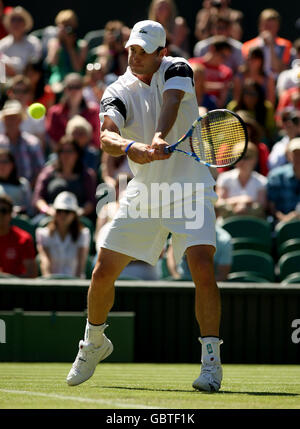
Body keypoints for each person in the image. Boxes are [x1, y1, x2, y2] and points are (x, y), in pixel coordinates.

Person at [67, 20, 223, 393]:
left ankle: (211, 363)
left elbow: (171, 100)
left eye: (143, 51)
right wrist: (131, 148)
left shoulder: (178, 68)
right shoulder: (117, 89)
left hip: (190, 187)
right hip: (146, 191)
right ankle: (94, 343)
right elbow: (106, 134)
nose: (134, 57)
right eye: (131, 50)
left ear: (161, 53)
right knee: (103, 271)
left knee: (201, 265)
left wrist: (156, 136)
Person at [33, 135, 97, 220]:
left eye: (70, 151)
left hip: (78, 219)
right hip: (50, 217)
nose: (66, 155)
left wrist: (79, 213)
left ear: (77, 154)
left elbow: (91, 201)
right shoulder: (48, 172)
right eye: (62, 151)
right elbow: (38, 198)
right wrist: (48, 211)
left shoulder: (87, 175)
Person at [36, 191, 90, 278]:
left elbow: (81, 265)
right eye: (59, 211)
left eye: (67, 211)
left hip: (74, 286)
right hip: (51, 285)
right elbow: (45, 261)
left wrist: (76, 286)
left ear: (74, 214)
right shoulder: (43, 234)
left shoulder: (83, 235)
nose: (62, 215)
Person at [45, 73, 100, 149]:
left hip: (87, 155)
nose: (74, 91)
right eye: (70, 87)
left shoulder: (94, 111)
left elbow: (96, 141)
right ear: (65, 90)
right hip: (63, 154)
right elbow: (52, 139)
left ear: (83, 89)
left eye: (77, 87)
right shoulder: (54, 112)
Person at [215, 142, 268, 219]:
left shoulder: (262, 181)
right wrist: (243, 200)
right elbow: (218, 202)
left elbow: (262, 205)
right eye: (239, 157)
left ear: (255, 159)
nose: (242, 161)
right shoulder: (224, 178)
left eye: (246, 157)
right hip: (226, 223)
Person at [0, 99, 45, 186]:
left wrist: (27, 189)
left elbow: (40, 170)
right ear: (4, 120)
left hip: (27, 191)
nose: (11, 121)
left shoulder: (32, 143)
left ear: (20, 120)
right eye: (8, 118)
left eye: (14, 118)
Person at [166, 225, 233, 282]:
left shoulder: (224, 239)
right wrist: (176, 277)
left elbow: (222, 275)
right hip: (182, 281)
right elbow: (171, 254)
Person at [242, 9, 293, 76]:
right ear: (260, 25)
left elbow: (279, 69)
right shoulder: (247, 46)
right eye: (266, 26)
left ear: (277, 27)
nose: (268, 30)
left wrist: (271, 45)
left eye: (271, 27)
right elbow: (248, 69)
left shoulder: (286, 45)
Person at [227, 78, 277, 146]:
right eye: (247, 93)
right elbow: (229, 131)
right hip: (236, 141)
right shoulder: (233, 107)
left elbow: (271, 131)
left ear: (259, 95)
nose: (250, 97)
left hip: (260, 141)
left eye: (253, 93)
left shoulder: (267, 108)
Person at [46, 9, 88, 86]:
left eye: (69, 25)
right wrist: (58, 41)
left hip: (76, 79)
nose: (66, 29)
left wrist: (70, 47)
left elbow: (78, 68)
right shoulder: (53, 43)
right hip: (58, 79)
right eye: (63, 25)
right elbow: (52, 63)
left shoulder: (82, 45)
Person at [189, 36, 233, 108]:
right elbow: (191, 85)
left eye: (226, 57)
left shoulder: (226, 71)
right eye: (222, 55)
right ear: (212, 49)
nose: (224, 59)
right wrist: (220, 86)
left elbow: (220, 102)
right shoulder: (192, 63)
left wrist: (203, 85)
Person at [0, 193, 37, 278]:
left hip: (16, 290)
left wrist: (7, 279)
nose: (0, 215)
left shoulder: (23, 239)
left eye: (3, 211)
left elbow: (31, 275)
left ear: (10, 215)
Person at [0, 6, 42, 76]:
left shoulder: (34, 42)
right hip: (4, 84)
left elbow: (34, 68)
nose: (16, 23)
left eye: (20, 20)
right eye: (13, 20)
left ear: (25, 23)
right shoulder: (2, 44)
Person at [267, 137, 300, 223]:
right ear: (288, 155)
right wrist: (284, 219)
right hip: (280, 226)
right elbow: (271, 206)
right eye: (295, 153)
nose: (298, 157)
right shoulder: (275, 176)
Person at [0, 147, 33, 216]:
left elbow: (30, 208)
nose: (2, 165)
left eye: (5, 162)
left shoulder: (23, 183)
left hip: (19, 220)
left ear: (12, 164)